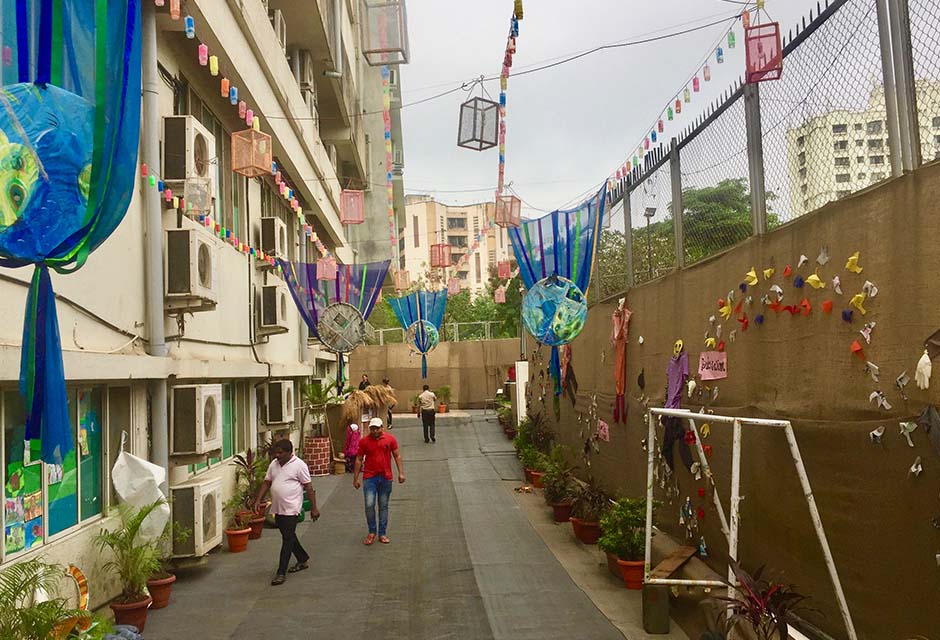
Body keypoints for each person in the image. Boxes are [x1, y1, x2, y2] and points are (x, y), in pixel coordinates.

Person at [254, 439, 320, 586]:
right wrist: (258, 499)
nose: (277, 455)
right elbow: (267, 482)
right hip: (278, 507)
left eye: (280, 453)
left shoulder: (299, 465)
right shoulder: (274, 464)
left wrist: (314, 508)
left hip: (292, 507)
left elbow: (309, 487)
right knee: (288, 535)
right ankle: (302, 558)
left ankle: (281, 572)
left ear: (290, 452)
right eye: (275, 452)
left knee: (287, 539)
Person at [353, 417, 405, 545]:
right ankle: (372, 531)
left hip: (385, 477)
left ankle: (382, 533)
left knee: (383, 505)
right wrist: (356, 478)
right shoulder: (364, 442)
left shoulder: (390, 439)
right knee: (369, 504)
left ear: (382, 428)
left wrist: (401, 473)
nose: (375, 431)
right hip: (370, 477)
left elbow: (397, 455)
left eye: (377, 428)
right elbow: (359, 459)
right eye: (372, 429)